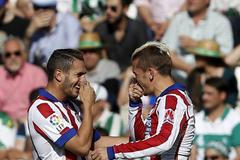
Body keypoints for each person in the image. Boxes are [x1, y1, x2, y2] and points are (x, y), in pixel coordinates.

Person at [91, 41, 195, 159]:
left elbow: (163, 141)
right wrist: (135, 104)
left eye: (137, 75)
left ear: (150, 73)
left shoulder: (173, 99)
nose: (135, 81)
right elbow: (139, 139)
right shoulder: (164, 99)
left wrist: (113, 151)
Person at [162, 0, 233, 76]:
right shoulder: (178, 19)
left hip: (208, 78)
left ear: (207, 1)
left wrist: (196, 44)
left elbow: (226, 55)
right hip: (177, 76)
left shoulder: (221, 22)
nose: (190, 0)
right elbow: (165, 52)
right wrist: (190, 69)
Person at [191, 77, 240, 160]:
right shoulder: (195, 120)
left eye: (209, 94)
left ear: (222, 95)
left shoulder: (236, 120)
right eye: (203, 93)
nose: (204, 97)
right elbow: (192, 154)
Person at [0, 36, 47, 122]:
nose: (12, 57)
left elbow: (44, 106)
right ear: (3, 58)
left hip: (32, 122)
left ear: (24, 54)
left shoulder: (37, 73)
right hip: (4, 123)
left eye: (17, 53)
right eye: (8, 55)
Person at [94, 0, 148, 71]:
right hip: (110, 74)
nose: (108, 12)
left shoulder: (138, 28)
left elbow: (144, 56)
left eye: (113, 8)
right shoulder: (101, 29)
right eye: (106, 8)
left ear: (125, 9)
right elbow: (102, 58)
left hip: (134, 72)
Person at [28, 0, 82, 67]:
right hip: (42, 72)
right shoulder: (34, 27)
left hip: (65, 70)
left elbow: (73, 55)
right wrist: (28, 34)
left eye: (45, 8)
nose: (40, 12)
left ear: (54, 8)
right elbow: (29, 60)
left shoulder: (69, 22)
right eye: (36, 8)